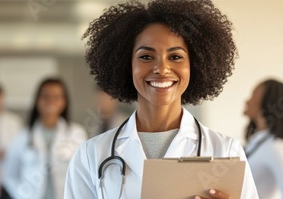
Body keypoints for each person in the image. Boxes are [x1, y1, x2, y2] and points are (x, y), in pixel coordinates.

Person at [64, 0, 259, 198]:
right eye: (146, 57)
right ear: (126, 65)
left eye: (175, 57)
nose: (162, 69)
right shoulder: (91, 155)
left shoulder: (225, 151)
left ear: (196, 65)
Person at [2, 78, 87, 199]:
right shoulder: (22, 136)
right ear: (37, 100)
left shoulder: (77, 133)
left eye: (57, 97)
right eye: (45, 96)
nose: (50, 101)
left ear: (64, 102)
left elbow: (84, 173)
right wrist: (20, 194)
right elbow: (8, 174)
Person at [244, 79, 283, 199]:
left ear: (269, 103)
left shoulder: (277, 148)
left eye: (253, 95)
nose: (247, 101)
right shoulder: (258, 142)